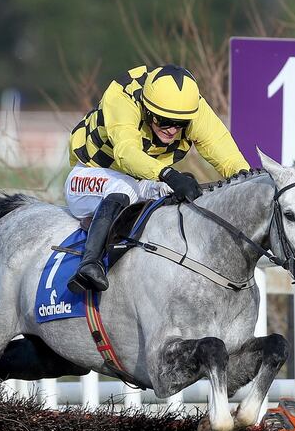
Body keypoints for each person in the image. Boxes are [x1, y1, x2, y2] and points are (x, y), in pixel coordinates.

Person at [65, 64, 251, 293]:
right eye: (163, 121)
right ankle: (89, 264)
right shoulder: (122, 96)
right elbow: (126, 154)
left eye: (180, 124)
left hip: (143, 180)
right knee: (125, 187)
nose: (172, 130)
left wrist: (246, 178)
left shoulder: (192, 107)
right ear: (148, 110)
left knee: (180, 194)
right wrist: (168, 174)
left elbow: (226, 153)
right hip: (90, 173)